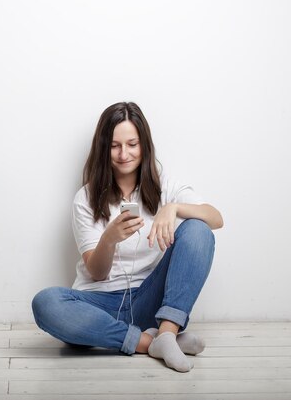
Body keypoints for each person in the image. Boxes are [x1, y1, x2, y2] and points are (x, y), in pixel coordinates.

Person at [31, 102, 223, 372]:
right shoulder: (85, 198)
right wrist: (109, 238)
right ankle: (152, 342)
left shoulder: (165, 185)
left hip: (148, 300)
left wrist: (174, 208)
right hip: (99, 307)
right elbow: (97, 273)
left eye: (132, 144)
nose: (124, 154)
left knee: (198, 229)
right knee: (46, 302)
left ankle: (166, 332)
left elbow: (216, 218)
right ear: (103, 148)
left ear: (144, 144)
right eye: (114, 146)